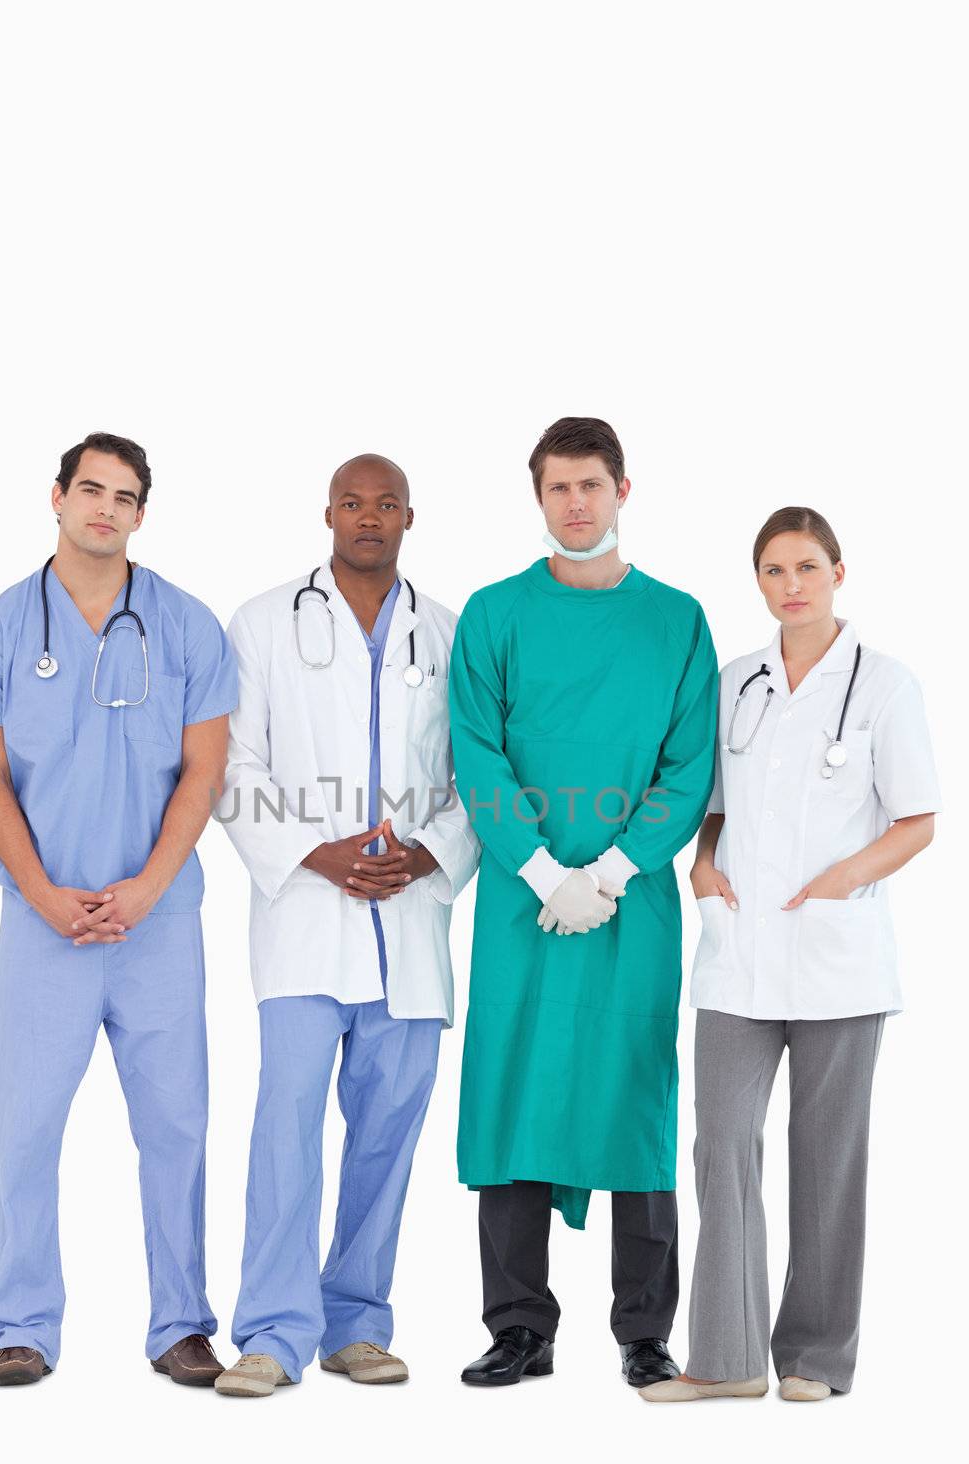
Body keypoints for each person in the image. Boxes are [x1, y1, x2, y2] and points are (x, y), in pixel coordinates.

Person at [0, 432, 238, 1388]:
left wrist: (147, 886)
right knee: (25, 1126)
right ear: (57, 498)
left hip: (158, 926)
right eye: (91, 490)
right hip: (43, 926)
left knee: (177, 1129)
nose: (106, 508)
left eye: (125, 496)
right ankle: (22, 1324)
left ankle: (181, 1325)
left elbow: (205, 769)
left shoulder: (187, 627)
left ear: (142, 514)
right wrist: (40, 892)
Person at [642, 507, 940, 1404]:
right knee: (721, 1144)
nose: (791, 585)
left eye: (806, 566)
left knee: (826, 1157)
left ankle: (813, 1358)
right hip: (738, 956)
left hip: (835, 960)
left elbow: (918, 818)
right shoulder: (736, 682)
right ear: (759, 581)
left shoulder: (884, 685)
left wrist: (843, 877)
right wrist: (699, 862)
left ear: (838, 572)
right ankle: (724, 1359)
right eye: (773, 570)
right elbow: (717, 799)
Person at [449, 416, 718, 1388]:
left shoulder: (675, 620)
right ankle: (518, 1325)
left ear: (621, 490)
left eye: (590, 486)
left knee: (633, 1097)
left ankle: (643, 1330)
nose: (575, 503)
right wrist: (538, 872)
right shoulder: (493, 615)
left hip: (629, 907)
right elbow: (475, 752)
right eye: (558, 487)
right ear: (538, 497)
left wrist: (605, 872)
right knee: (511, 1092)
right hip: (521, 911)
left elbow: (687, 767)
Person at [214, 453, 479, 1398]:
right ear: (327, 511)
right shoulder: (261, 625)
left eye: (387, 504)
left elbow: (475, 778)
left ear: (411, 516)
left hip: (407, 932)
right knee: (284, 1130)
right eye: (352, 503)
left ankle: (356, 1323)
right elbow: (229, 768)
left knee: (385, 1136)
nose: (369, 517)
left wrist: (429, 853)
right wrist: (316, 854)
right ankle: (273, 1335)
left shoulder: (448, 635)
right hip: (302, 929)